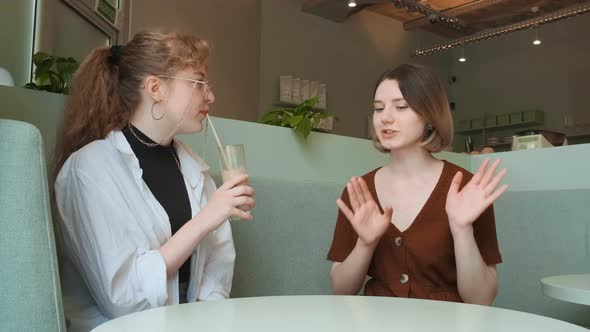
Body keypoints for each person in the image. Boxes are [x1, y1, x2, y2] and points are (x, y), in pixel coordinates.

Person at [54, 29, 255, 331]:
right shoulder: (88, 170)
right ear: (155, 88)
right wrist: (205, 220)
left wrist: (201, 322)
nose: (210, 96)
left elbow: (217, 268)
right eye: (199, 82)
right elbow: (122, 299)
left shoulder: (195, 170)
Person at [327, 64, 507, 305]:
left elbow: (481, 299)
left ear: (430, 115)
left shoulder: (468, 189)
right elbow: (341, 290)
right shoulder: (360, 191)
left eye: (401, 107)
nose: (385, 117)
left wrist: (462, 230)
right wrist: (365, 243)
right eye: (378, 108)